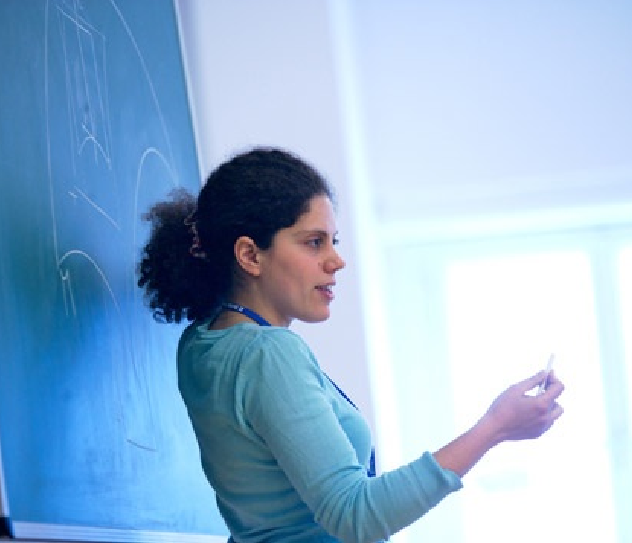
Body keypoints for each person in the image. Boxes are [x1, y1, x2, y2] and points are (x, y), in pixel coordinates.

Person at [137, 146, 565, 543]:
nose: (336, 261)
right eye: (313, 242)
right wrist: (495, 427)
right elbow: (354, 515)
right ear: (250, 255)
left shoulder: (201, 342)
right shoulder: (269, 354)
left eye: (333, 242)